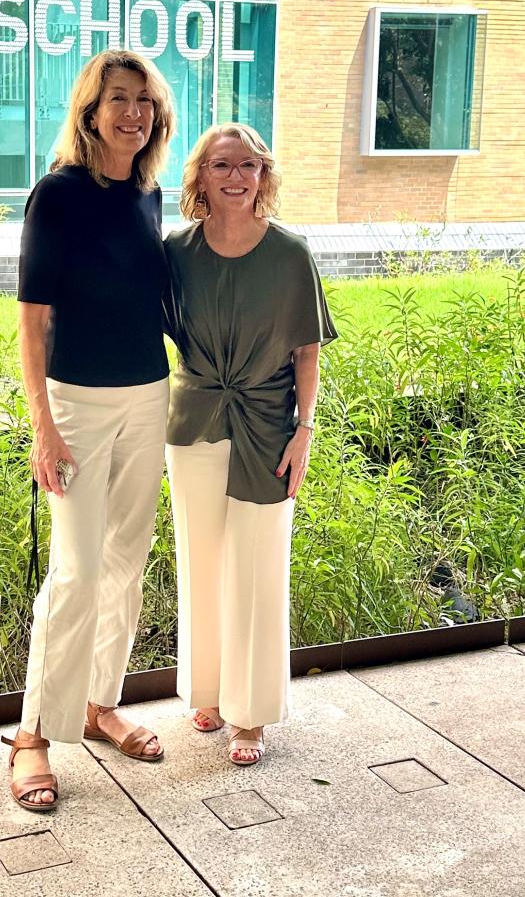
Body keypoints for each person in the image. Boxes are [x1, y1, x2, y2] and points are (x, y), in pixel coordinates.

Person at [3, 49, 176, 812]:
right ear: (89, 111)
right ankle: (34, 735)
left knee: (125, 560)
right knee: (74, 569)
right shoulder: (58, 194)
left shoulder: (149, 194)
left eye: (143, 100)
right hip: (75, 404)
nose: (132, 112)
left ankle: (100, 705)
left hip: (147, 396)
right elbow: (33, 321)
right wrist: (43, 427)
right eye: (118, 99)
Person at [164, 123, 336, 766]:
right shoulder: (176, 252)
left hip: (269, 425)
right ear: (200, 177)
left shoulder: (291, 253)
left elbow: (307, 352)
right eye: (221, 164)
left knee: (258, 568)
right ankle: (208, 690)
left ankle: (252, 714)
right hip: (194, 422)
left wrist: (305, 432)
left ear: (263, 176)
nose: (236, 176)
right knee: (202, 559)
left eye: (249, 165)